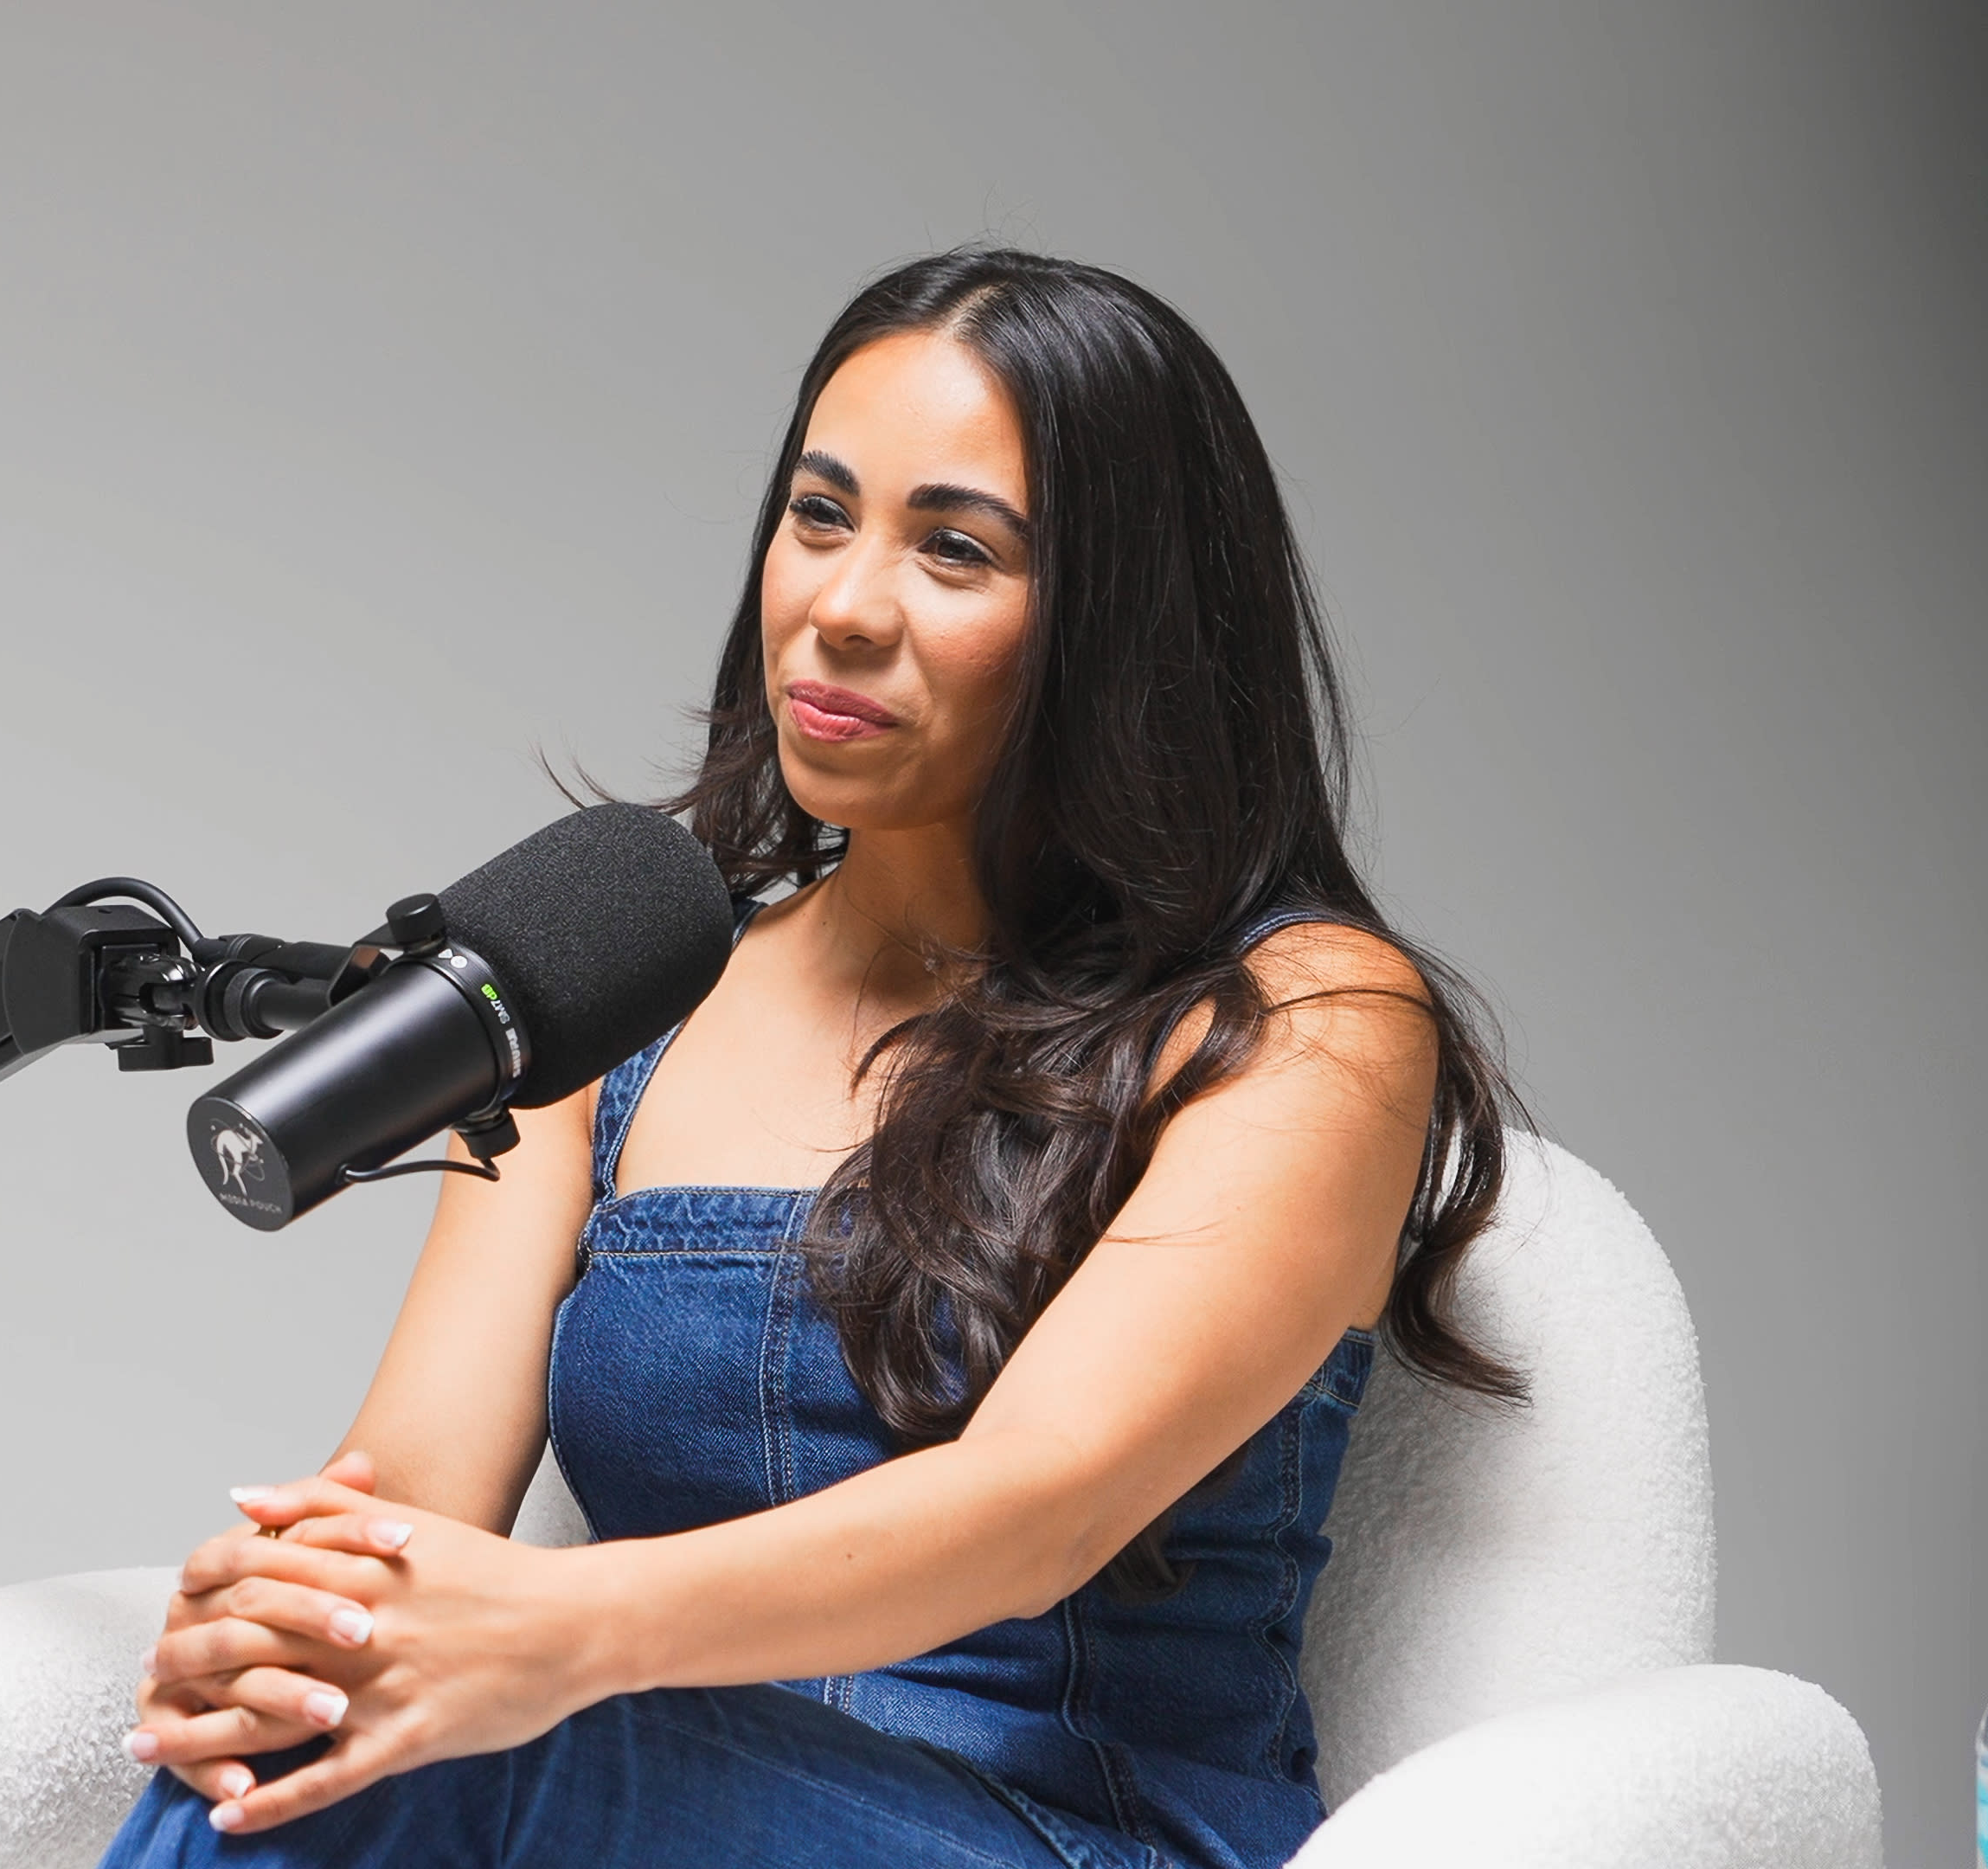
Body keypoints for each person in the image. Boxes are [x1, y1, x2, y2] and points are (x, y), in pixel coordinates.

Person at [99, 247, 1523, 1869]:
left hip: (1070, 1834)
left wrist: (551, 1636)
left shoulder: (1306, 1020)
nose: (842, 607)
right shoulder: (615, 999)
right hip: (646, 1801)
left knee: (433, 1760)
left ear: (1123, 629)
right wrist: (298, 1613)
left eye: (957, 550)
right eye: (819, 513)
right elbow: (407, 1499)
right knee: (316, 1723)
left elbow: (1036, 1508)